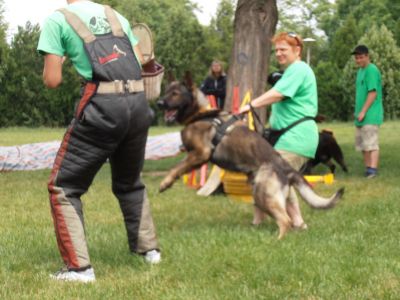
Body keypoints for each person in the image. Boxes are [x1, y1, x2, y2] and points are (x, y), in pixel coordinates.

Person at [37, 0, 160, 283]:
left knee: (64, 187)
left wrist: (62, 58)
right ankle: (149, 250)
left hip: (103, 108)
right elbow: (140, 60)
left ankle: (79, 269)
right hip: (138, 105)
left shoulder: (58, 20)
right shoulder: (114, 14)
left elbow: (52, 80)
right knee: (130, 182)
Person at [239, 32, 319, 230]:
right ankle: (299, 223)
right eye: (277, 50)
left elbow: (278, 93)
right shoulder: (292, 71)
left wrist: (251, 105)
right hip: (288, 137)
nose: (279, 54)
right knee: (280, 176)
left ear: (297, 50)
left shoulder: (299, 68)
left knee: (266, 177)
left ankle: (266, 222)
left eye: (283, 49)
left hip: (296, 138)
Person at [351, 45, 383, 178]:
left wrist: (363, 111)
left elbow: (373, 93)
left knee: (371, 143)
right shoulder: (360, 71)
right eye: (356, 58)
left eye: (361, 57)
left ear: (367, 56)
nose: (358, 60)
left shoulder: (371, 70)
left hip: (370, 114)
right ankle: (368, 168)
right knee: (363, 144)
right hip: (360, 115)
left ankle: (373, 170)